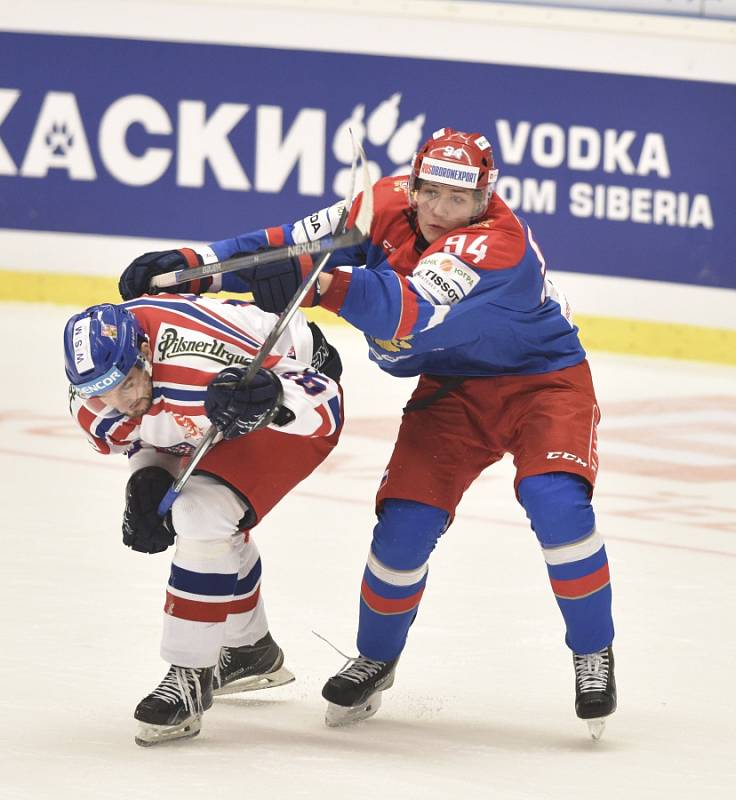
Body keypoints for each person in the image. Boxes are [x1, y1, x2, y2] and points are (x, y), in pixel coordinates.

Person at [118, 128, 617, 739]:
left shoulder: (497, 245)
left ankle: (592, 653)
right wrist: (197, 268)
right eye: (428, 192)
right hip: (453, 386)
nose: (438, 210)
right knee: (404, 524)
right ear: (411, 183)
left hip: (544, 383)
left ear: (484, 199)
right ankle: (376, 658)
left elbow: (403, 308)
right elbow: (290, 244)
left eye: (456, 200)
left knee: (556, 503)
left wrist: (319, 286)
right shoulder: (383, 202)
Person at [63, 290, 344, 745]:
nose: (124, 399)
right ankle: (249, 649)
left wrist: (270, 396)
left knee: (199, 512)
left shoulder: (199, 362)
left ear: (147, 353)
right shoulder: (96, 408)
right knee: (206, 518)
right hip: (212, 404)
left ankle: (190, 677)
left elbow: (326, 404)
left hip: (288, 392)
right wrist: (148, 474)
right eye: (107, 392)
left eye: (129, 380)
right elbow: (152, 430)